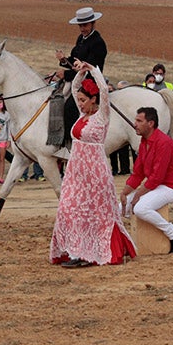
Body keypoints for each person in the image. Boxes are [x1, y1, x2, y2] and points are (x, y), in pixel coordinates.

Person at [50, 61, 135, 267]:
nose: (79, 103)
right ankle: (74, 249)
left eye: (83, 100)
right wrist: (80, 72)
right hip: (76, 171)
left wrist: (93, 69)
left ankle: (86, 254)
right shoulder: (82, 115)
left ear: (93, 100)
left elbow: (104, 90)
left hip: (95, 171)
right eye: (78, 100)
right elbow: (77, 86)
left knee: (93, 214)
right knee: (69, 208)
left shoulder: (101, 116)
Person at [120, 105, 173, 253]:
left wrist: (137, 195)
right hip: (155, 187)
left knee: (140, 208)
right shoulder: (144, 142)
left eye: (139, 121)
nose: (134, 124)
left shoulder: (164, 142)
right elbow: (138, 173)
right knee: (119, 209)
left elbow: (157, 177)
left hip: (171, 187)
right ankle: (129, 243)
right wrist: (125, 193)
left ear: (150, 123)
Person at [53, 7, 107, 136]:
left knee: (70, 108)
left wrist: (65, 74)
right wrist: (64, 60)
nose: (82, 28)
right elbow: (75, 62)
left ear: (93, 24)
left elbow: (88, 68)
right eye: (80, 25)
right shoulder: (81, 39)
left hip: (90, 83)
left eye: (85, 25)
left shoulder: (98, 42)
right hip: (77, 80)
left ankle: (71, 141)